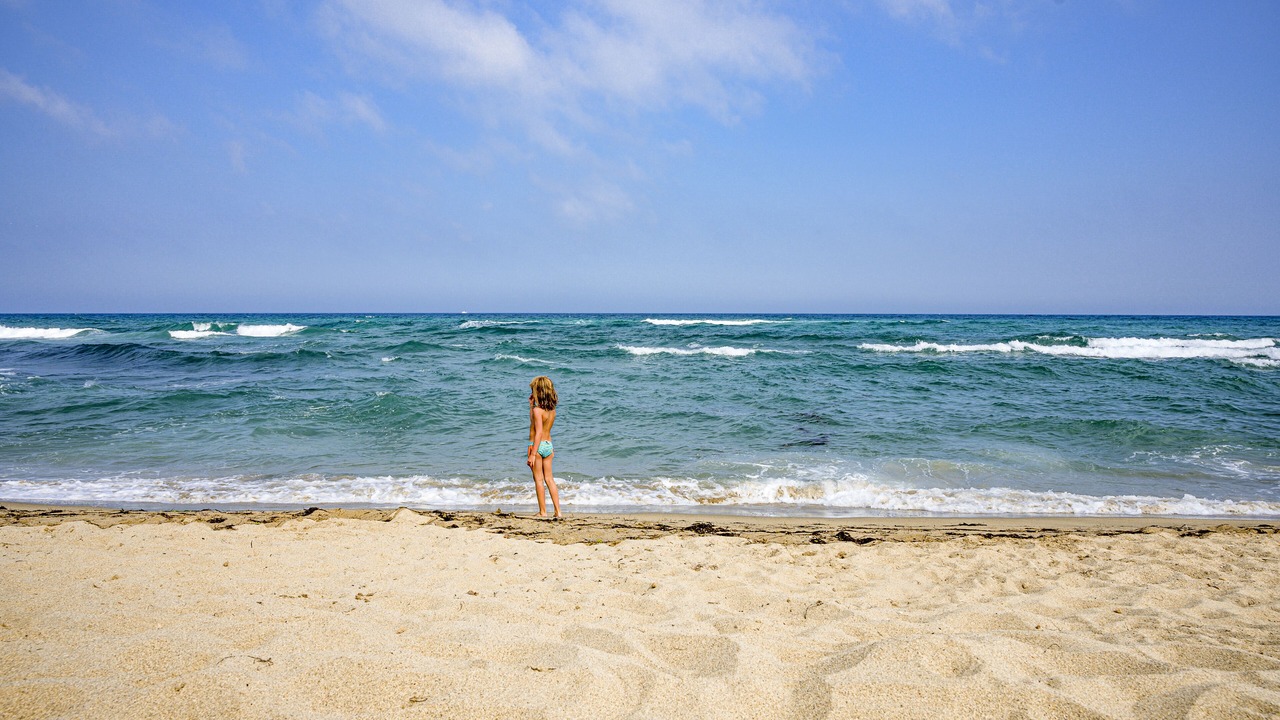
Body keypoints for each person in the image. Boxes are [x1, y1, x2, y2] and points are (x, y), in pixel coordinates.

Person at [526, 375, 561, 518]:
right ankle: (558, 511)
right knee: (550, 479)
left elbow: (537, 432)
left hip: (537, 446)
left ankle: (543, 512)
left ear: (538, 391)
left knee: (538, 480)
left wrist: (533, 453)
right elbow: (541, 427)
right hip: (548, 445)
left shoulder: (537, 410)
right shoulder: (552, 410)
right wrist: (531, 406)